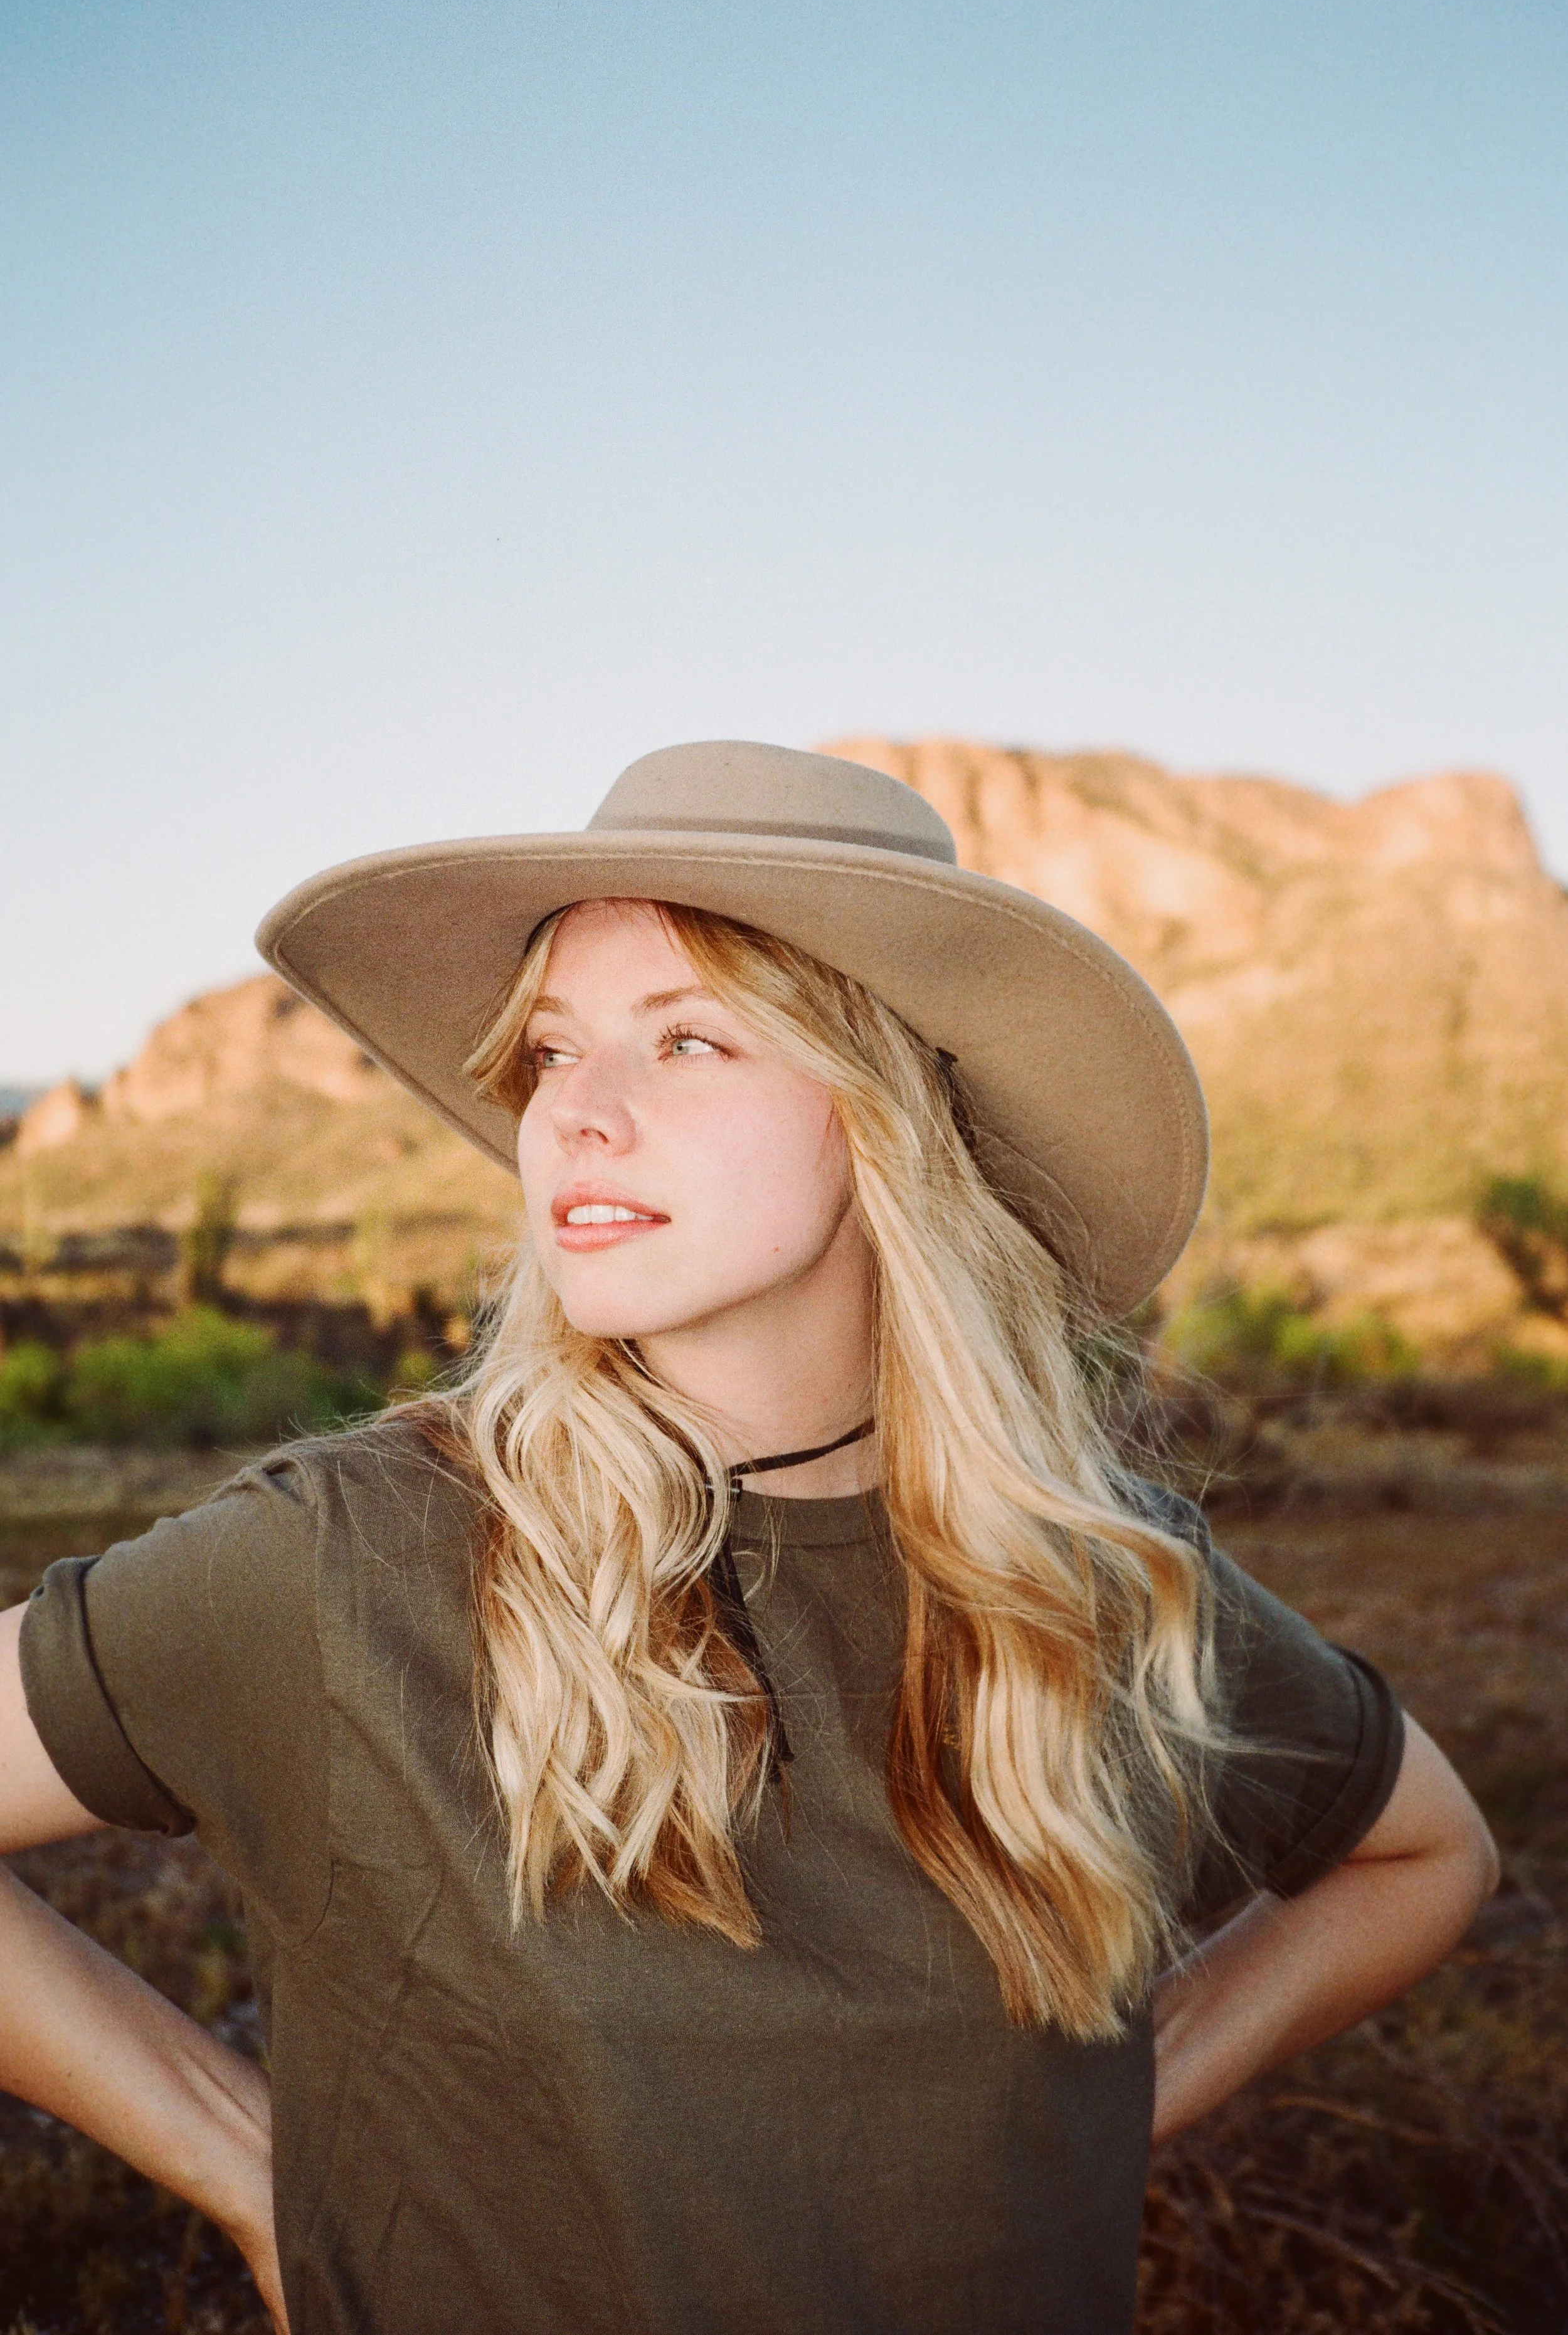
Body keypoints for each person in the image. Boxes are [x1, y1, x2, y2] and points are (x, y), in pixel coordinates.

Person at [0, 743, 1495, 2334]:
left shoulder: (1090, 1583)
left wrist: (1114, 2102)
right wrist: (243, 2164)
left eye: (689, 1039)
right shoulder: (351, 1558)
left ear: (887, 1118)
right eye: (551, 1049)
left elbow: (1424, 1852)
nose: (573, 1111)